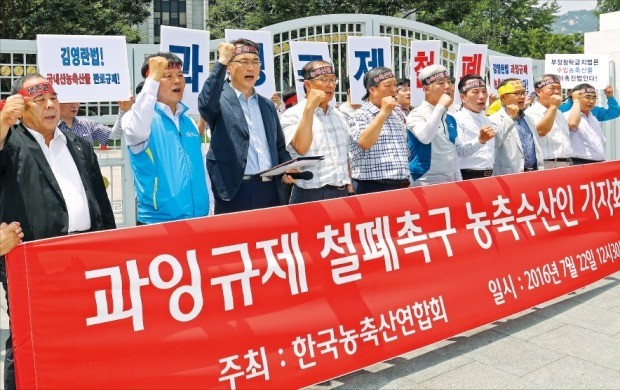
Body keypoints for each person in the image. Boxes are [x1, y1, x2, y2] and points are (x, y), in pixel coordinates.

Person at [0, 74, 116, 390]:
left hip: (84, 260)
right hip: (32, 264)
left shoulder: (78, 145)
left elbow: (101, 206)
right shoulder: (11, 144)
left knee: (84, 336)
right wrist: (3, 123)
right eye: (39, 100)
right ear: (20, 108)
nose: (50, 105)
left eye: (53, 97)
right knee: (28, 342)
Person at [198, 39, 292, 214]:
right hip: (235, 191)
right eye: (244, 62)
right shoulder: (220, 99)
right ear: (229, 67)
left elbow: (278, 147)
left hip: (270, 190)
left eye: (255, 62)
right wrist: (221, 62)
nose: (251, 68)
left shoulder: (267, 105)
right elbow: (205, 104)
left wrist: (288, 166)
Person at [122, 52, 211, 224]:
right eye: (168, 76)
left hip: (199, 219)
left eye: (180, 76)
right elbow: (137, 130)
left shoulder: (189, 123)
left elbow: (202, 170)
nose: (177, 81)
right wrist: (152, 79)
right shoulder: (138, 120)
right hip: (158, 223)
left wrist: (210, 209)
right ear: (153, 82)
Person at [281, 60, 352, 203]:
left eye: (333, 80)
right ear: (308, 85)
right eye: (324, 80)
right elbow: (301, 147)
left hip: (342, 192)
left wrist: (350, 190)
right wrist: (310, 108)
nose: (330, 85)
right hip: (310, 195)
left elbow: (345, 157)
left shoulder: (338, 115)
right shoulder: (293, 114)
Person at [348, 66, 410, 194]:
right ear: (372, 89)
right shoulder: (360, 115)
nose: (394, 90)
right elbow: (364, 142)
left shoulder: (398, 113)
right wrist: (383, 112)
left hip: (401, 184)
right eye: (387, 86)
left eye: (395, 85)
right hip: (372, 187)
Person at [407, 65, 462, 186]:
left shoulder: (450, 118)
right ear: (426, 89)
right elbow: (425, 137)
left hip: (449, 180)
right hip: (424, 181)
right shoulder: (416, 114)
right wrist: (440, 106)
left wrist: (459, 182)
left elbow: (453, 154)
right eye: (441, 83)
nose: (448, 87)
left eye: (449, 82)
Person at [488, 78, 544, 174]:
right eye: (517, 93)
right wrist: (510, 117)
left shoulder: (528, 118)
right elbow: (496, 142)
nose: (522, 97)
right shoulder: (493, 119)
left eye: (523, 92)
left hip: (534, 172)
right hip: (510, 175)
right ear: (503, 98)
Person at [525, 74, 581, 168]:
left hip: (566, 163)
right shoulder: (531, 112)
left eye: (559, 88)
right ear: (538, 92)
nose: (557, 92)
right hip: (547, 164)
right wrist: (553, 106)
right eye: (552, 88)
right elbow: (541, 131)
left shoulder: (559, 113)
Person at [452, 74, 496, 180]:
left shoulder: (486, 119)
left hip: (489, 175)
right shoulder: (456, 119)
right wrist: (480, 140)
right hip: (468, 176)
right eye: (475, 92)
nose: (481, 96)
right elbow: (460, 150)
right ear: (463, 97)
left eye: (484, 91)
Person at [565, 83, 611, 164]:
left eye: (594, 98)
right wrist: (576, 101)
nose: (591, 101)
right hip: (579, 164)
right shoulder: (567, 115)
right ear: (576, 97)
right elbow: (572, 124)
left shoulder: (593, 118)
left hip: (598, 164)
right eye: (587, 97)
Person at [58, 100, 130, 146]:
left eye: (77, 100)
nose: (74, 105)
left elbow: (115, 134)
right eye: (69, 101)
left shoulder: (87, 125)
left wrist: (123, 111)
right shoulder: (51, 129)